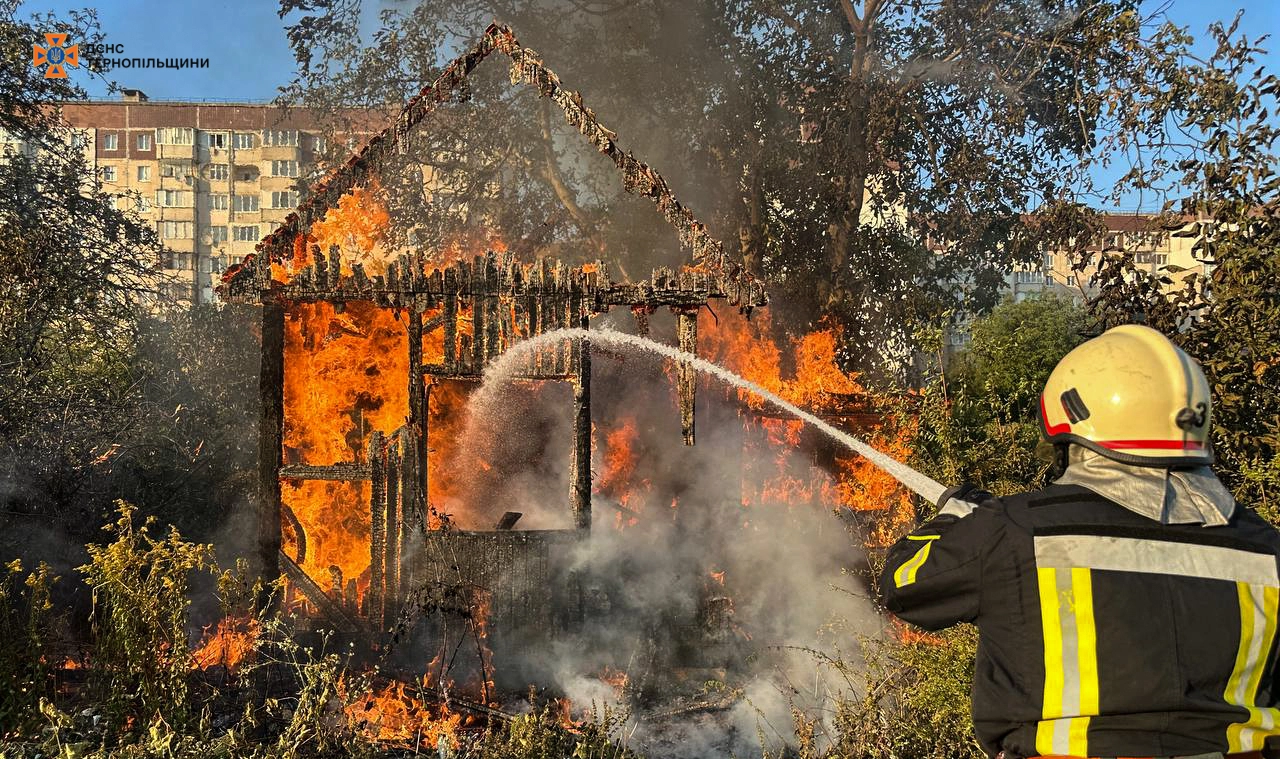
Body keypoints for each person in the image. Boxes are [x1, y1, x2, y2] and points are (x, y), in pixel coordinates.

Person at [879, 324, 1280, 759]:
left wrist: (956, 516)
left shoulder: (1012, 531)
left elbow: (904, 584)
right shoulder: (1267, 548)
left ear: (1070, 425)